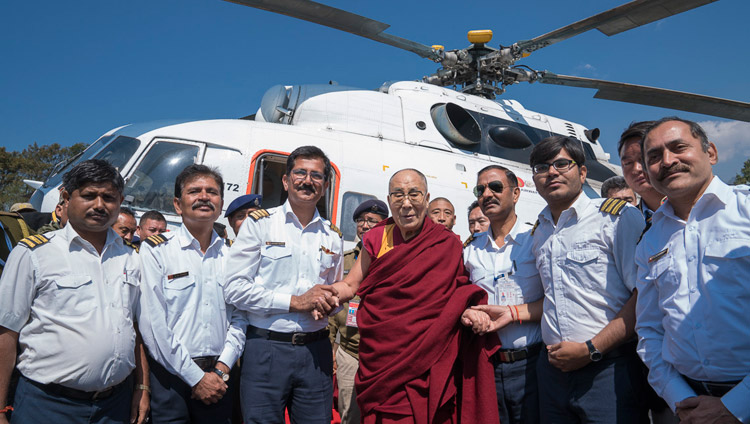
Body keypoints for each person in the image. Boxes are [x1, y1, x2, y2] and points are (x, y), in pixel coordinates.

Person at [315, 168, 500, 424]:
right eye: (398, 195)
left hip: (425, 360)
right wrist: (329, 294)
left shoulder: (447, 243)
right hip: (382, 358)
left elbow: (458, 292)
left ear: (426, 198)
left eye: (414, 194)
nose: (406, 203)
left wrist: (468, 309)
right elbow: (350, 284)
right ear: (389, 200)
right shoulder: (378, 237)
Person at [0, 159, 149, 424]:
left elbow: (136, 330)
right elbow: (6, 333)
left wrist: (142, 388)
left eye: (109, 197)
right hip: (47, 406)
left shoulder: (132, 257)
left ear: (121, 201)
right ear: (67, 197)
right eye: (89, 195)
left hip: (114, 406)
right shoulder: (34, 253)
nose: (100, 205)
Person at [635, 117, 750, 423]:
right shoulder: (650, 241)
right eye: (654, 157)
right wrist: (680, 398)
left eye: (678, 148)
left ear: (710, 152)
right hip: (689, 406)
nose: (667, 161)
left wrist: (736, 405)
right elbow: (649, 331)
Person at [529, 136, 648, 423]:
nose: (551, 172)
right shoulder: (540, 231)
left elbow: (643, 294)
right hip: (552, 374)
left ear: (582, 172)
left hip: (608, 369)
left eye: (561, 164)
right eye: (542, 167)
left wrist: (591, 349)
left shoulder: (615, 218)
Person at [223, 146, 343, 424]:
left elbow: (336, 294)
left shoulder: (333, 237)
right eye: (300, 173)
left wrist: (329, 305)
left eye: (316, 175)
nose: (308, 180)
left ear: (324, 186)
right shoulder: (259, 225)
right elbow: (234, 288)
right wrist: (296, 302)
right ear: (286, 180)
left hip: (316, 353)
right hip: (266, 349)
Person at [137, 164, 246, 424]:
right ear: (178, 204)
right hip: (171, 377)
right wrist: (196, 378)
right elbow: (153, 325)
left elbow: (241, 317)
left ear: (220, 204)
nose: (204, 196)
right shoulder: (156, 251)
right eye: (194, 191)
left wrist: (221, 369)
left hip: (221, 377)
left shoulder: (233, 255)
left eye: (212, 191)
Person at [462, 165, 544, 424]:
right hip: (486, 366)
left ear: (516, 194)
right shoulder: (470, 251)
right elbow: (460, 297)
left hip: (532, 366)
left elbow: (558, 300)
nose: (487, 194)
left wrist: (513, 314)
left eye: (496, 187)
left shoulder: (537, 240)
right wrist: (467, 312)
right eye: (481, 189)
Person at [329, 198, 388, 424]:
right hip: (350, 352)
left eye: (372, 221)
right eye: (361, 221)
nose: (365, 225)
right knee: (349, 415)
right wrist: (330, 348)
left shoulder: (392, 260)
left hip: (382, 354)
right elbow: (334, 311)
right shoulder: (344, 261)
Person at [618, 120, 665, 222]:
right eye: (627, 163)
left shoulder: (698, 208)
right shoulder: (625, 222)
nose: (637, 169)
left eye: (644, 159)